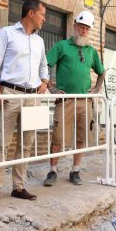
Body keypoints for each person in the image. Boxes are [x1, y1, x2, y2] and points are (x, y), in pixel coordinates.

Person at [0, 0, 49, 206]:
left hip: (32, 97)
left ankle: (18, 187)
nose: (44, 20)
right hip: (10, 94)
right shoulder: (6, 34)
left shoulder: (39, 41)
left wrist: (45, 82)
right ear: (31, 13)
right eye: (42, 15)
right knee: (2, 141)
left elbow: (43, 66)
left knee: (27, 143)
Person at [43, 11, 105, 186]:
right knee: (58, 137)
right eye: (81, 27)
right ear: (74, 26)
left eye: (87, 28)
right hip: (65, 100)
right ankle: (53, 170)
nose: (83, 31)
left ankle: (75, 170)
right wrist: (51, 88)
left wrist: (96, 89)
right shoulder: (62, 46)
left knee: (81, 138)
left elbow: (102, 72)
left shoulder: (91, 51)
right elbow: (45, 65)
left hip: (85, 101)